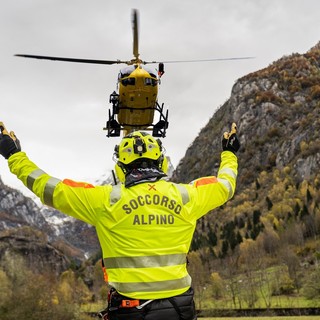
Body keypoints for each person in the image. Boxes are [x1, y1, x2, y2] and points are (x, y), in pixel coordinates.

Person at [0, 122, 240, 320]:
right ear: (162, 163)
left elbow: (47, 188)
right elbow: (226, 186)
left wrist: (14, 155)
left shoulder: (106, 200)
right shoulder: (188, 196)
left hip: (130, 310)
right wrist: (229, 154)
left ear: (120, 168)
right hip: (181, 308)